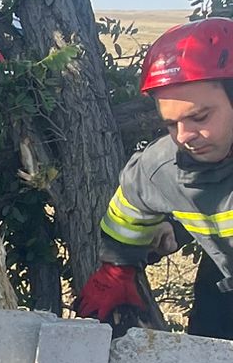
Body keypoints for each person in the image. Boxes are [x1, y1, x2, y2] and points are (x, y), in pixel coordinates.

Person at [78, 18, 233, 339]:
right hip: (223, 283)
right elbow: (130, 209)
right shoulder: (160, 167)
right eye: (171, 124)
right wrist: (117, 269)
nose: (185, 136)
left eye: (199, 116)